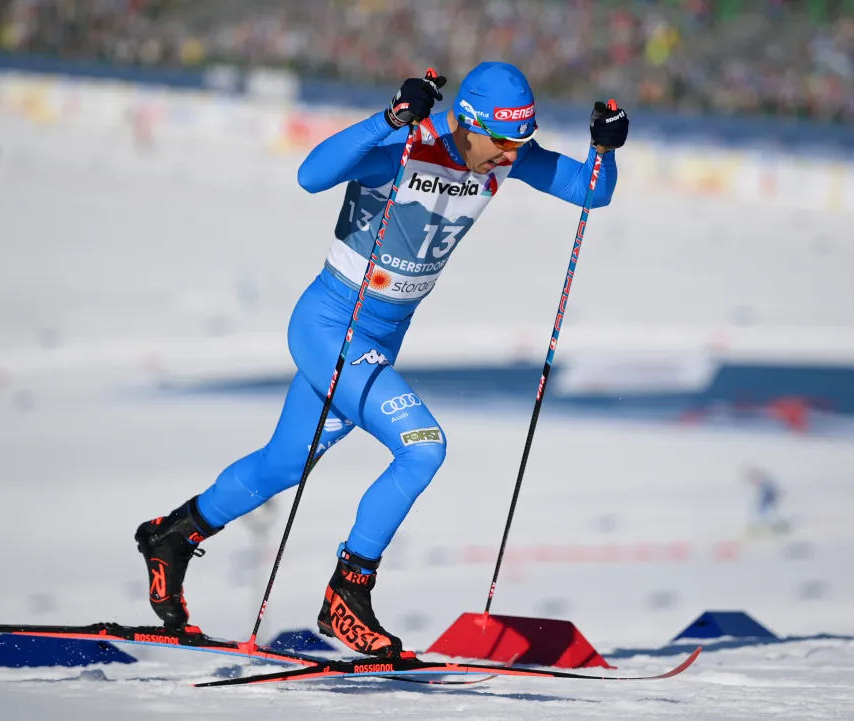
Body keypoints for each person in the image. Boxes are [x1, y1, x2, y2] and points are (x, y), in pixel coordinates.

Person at [135, 62, 629, 658]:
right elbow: (309, 174)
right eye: (502, 143)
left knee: (284, 462)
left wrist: (605, 147)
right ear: (469, 123)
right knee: (423, 446)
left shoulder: (505, 151)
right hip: (329, 324)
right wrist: (388, 119)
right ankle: (347, 594)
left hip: (381, 336)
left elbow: (589, 190)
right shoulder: (406, 144)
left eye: (521, 144)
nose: (510, 157)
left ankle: (172, 537)